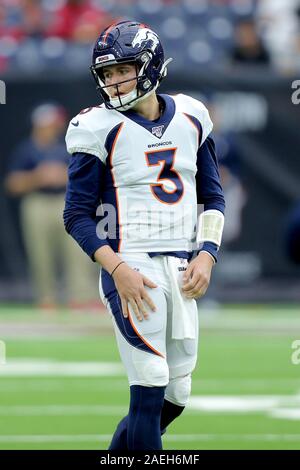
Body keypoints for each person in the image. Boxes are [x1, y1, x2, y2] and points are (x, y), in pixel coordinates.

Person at [63, 20, 225, 450]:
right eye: (107, 74)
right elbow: (76, 215)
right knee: (150, 381)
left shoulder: (192, 115)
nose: (114, 82)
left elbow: (213, 197)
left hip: (182, 262)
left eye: (122, 70)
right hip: (130, 259)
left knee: (176, 392)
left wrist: (207, 253)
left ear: (150, 66)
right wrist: (116, 268)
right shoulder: (96, 126)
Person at [5, 102, 98, 310]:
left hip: (65, 200)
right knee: (41, 254)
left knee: (77, 250)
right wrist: (38, 177)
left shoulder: (66, 147)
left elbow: (85, 178)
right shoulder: (26, 150)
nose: (55, 126)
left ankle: (81, 298)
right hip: (36, 202)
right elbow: (12, 185)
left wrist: (63, 176)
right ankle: (46, 299)